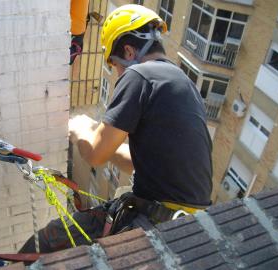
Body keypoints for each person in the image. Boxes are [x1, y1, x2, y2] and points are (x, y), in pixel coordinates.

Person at [19, 4, 212, 254]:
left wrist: (79, 129)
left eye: (115, 65)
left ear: (129, 52)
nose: (118, 73)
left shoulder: (139, 76)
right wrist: (98, 135)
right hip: (189, 221)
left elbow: (95, 156)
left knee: (45, 243)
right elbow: (139, 160)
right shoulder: (182, 83)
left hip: (155, 218)